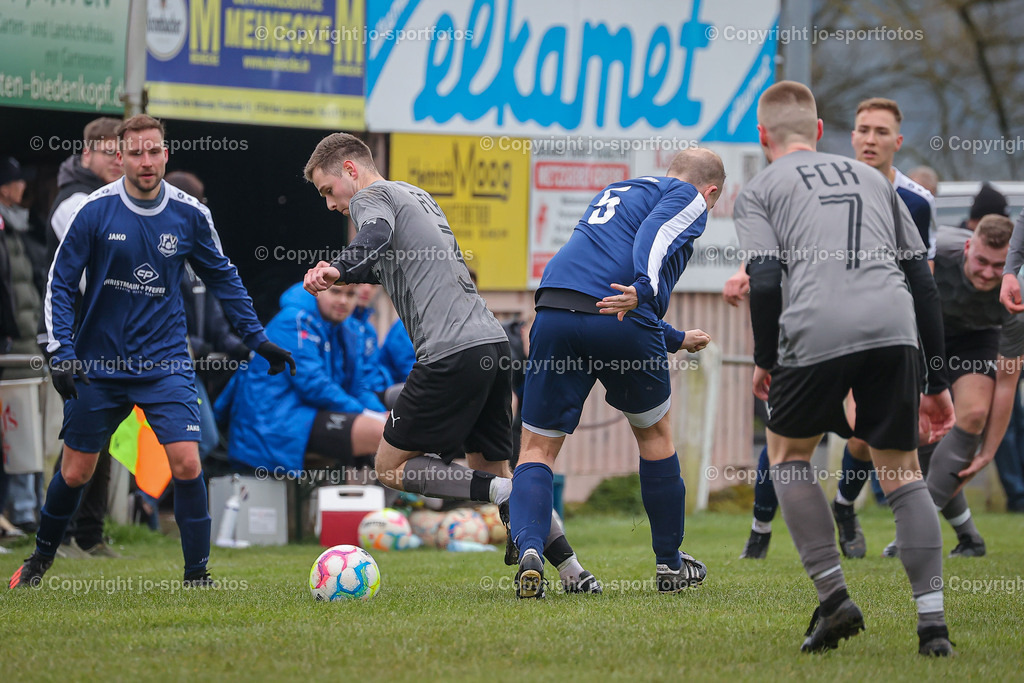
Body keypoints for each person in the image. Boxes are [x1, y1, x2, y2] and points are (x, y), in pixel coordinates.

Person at [301, 133, 599, 595]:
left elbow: (373, 237)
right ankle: (574, 572)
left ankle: (501, 495)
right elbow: (382, 259)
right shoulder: (416, 197)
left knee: (389, 466)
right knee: (495, 469)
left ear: (350, 170)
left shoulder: (372, 197)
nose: (329, 204)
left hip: (450, 352)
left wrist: (336, 268)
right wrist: (343, 271)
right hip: (492, 347)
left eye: (326, 191)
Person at [8, 114, 295, 589]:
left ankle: (197, 577)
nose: (145, 161)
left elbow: (224, 277)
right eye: (135, 152)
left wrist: (257, 338)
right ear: (120, 157)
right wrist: (61, 350)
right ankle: (39, 560)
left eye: (153, 151)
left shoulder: (190, 214)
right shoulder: (94, 210)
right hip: (100, 364)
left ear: (166, 153)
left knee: (187, 461)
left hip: (165, 363)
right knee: (77, 471)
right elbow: (58, 283)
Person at [735, 81, 954, 655]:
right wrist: (939, 381)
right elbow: (922, 280)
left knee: (788, 457)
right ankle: (932, 627)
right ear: (820, 132)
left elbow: (763, 279)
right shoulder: (874, 179)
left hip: (816, 327)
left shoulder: (759, 188)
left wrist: (766, 360)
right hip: (894, 325)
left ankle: (834, 602)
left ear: (763, 136)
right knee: (903, 474)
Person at [509, 147, 720, 598]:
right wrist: (644, 288)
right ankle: (669, 564)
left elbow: (595, 284)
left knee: (537, 447)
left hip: (555, 305)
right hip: (621, 317)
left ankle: (529, 550)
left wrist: (676, 337)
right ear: (711, 191)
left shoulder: (619, 190)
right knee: (655, 437)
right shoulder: (690, 196)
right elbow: (654, 237)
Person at [40, 117, 125, 558]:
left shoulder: (116, 199)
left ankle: (88, 534)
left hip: (106, 337)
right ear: (86, 154)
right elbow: (106, 270)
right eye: (109, 152)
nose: (117, 160)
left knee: (101, 435)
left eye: (121, 152)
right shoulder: (73, 202)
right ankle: (67, 532)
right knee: (83, 435)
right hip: (71, 338)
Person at [216, 281, 387, 474]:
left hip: (308, 412)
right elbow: (314, 386)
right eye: (336, 292)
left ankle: (376, 503)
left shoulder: (347, 328)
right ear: (317, 293)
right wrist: (367, 415)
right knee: (380, 434)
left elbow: (357, 386)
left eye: (350, 295)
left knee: (395, 429)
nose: (343, 301)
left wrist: (379, 414)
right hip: (274, 420)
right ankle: (375, 501)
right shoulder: (292, 322)